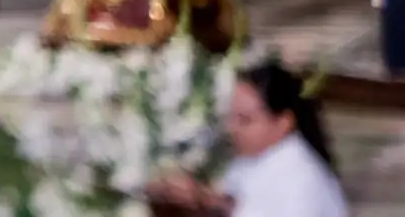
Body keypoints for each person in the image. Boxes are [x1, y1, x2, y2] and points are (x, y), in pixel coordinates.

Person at [147, 61, 347, 216]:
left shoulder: (302, 180)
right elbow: (239, 202)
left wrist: (204, 200)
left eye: (245, 120)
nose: (232, 128)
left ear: (284, 122)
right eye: (230, 116)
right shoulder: (256, 157)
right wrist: (197, 198)